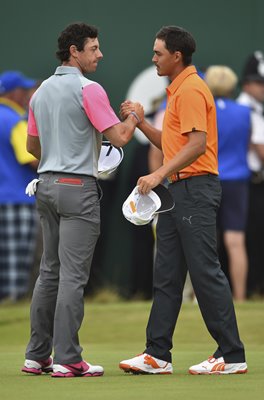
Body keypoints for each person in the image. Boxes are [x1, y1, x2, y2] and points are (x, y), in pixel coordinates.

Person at [119, 25, 247, 375]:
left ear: (177, 56)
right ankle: (157, 355)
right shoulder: (179, 89)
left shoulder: (190, 89)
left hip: (195, 189)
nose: (153, 58)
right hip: (180, 191)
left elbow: (196, 145)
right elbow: (176, 144)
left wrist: (158, 174)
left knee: (205, 272)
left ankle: (231, 355)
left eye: (158, 53)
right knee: (168, 275)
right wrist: (142, 124)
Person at [21, 22, 144, 378]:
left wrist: (57, 156)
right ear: (74, 51)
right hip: (78, 188)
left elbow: (32, 147)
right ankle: (68, 358)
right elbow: (119, 138)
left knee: (49, 273)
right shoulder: (89, 89)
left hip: (45, 185)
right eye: (93, 48)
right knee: (72, 278)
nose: (100, 54)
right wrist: (134, 115)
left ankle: (37, 356)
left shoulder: (40, 91)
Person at [205, 65, 251, 302]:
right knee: (235, 241)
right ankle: (240, 297)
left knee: (206, 241)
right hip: (237, 182)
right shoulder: (245, 112)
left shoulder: (206, 110)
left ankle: (205, 297)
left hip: (210, 179)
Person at [0, 71, 39, 302]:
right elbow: (31, 158)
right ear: (13, 93)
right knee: (16, 262)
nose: (26, 96)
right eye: (24, 91)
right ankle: (11, 303)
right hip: (17, 199)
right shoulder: (14, 120)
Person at [237, 51, 264, 298]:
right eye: (259, 82)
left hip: (252, 182)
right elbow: (263, 152)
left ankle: (254, 288)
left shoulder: (254, 110)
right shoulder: (246, 110)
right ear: (246, 84)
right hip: (250, 183)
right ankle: (251, 289)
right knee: (251, 239)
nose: (263, 88)